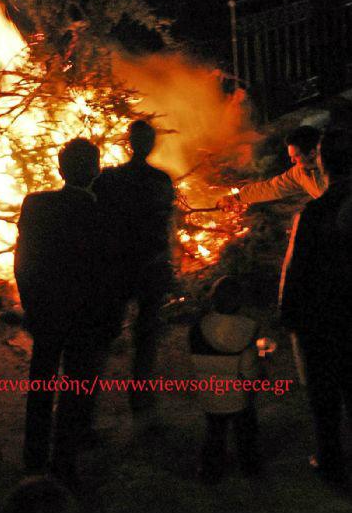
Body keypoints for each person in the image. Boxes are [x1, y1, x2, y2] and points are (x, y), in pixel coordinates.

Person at [14, 137, 106, 485]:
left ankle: (34, 459)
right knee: (75, 389)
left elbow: (21, 260)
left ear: (59, 169)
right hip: (83, 316)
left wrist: (30, 305)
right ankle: (63, 463)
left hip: (46, 311)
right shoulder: (99, 212)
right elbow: (104, 270)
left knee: (41, 386)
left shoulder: (35, 204)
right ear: (95, 170)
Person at [279, 125, 352, 488]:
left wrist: (288, 316)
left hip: (325, 321)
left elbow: (296, 271)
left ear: (323, 163)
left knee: (324, 397)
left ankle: (331, 462)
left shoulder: (315, 214)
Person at [92, 119, 175, 418]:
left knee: (106, 332)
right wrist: (168, 262)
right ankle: (140, 396)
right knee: (146, 331)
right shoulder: (160, 180)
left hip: (120, 266)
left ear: (130, 143)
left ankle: (86, 406)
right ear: (150, 144)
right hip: (149, 265)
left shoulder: (110, 179)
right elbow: (166, 225)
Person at [189, 276, 262, 482]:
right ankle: (250, 467)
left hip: (209, 394)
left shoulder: (198, 328)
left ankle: (210, 471)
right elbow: (249, 370)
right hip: (238, 397)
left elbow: (195, 363)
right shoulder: (248, 328)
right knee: (246, 428)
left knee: (215, 432)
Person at [220, 126, 323, 210]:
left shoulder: (335, 170)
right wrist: (236, 198)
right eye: (291, 157)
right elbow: (272, 187)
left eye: (296, 156)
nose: (292, 161)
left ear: (312, 153)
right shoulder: (300, 172)